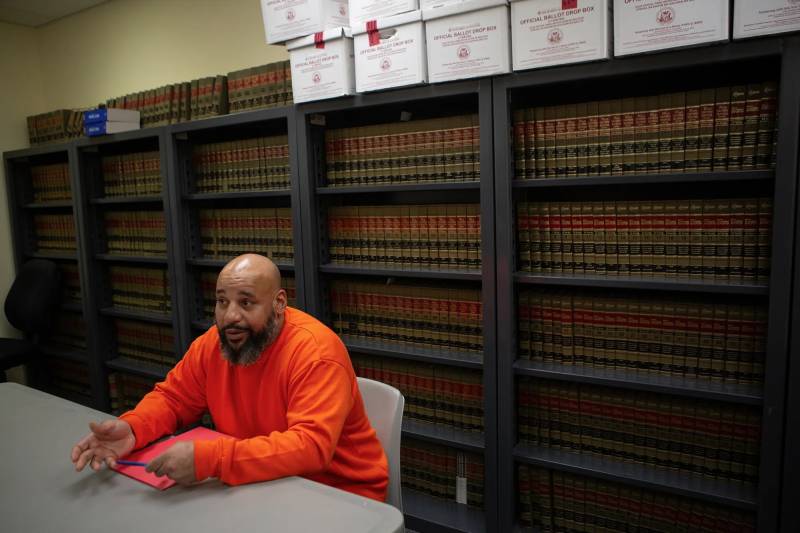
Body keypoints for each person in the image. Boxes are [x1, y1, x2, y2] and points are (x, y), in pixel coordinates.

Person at [70, 253, 389, 501]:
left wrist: (212, 460)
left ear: (279, 303)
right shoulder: (213, 343)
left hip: (340, 493)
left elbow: (310, 447)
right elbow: (174, 398)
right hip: (263, 481)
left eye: (246, 302)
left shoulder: (316, 353)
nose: (230, 316)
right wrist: (133, 428)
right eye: (222, 302)